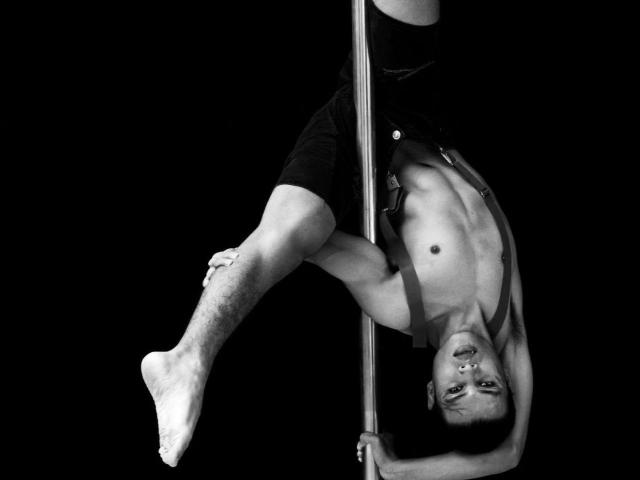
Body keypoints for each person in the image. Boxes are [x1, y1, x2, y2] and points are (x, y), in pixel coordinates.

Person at [142, 1, 533, 477]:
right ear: (508, 378)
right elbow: (510, 454)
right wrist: (400, 473)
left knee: (292, 231)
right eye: (487, 384)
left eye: (454, 390)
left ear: (431, 390)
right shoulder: (510, 324)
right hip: (424, 110)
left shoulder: (403, 306)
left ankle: (186, 362)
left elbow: (315, 245)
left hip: (365, 134)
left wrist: (254, 255)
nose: (469, 372)